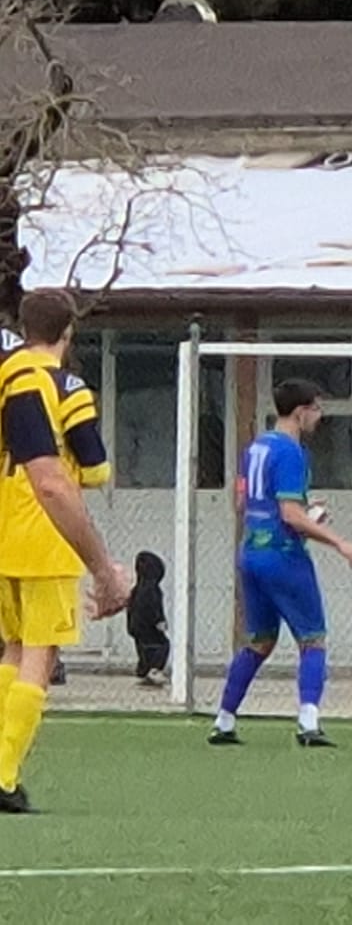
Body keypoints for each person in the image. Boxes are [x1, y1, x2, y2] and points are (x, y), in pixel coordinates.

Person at [0, 290, 131, 813]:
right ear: (69, 332)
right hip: (44, 532)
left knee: (12, 649)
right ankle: (3, 774)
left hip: (5, 523)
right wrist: (102, 567)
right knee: (41, 652)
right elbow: (93, 469)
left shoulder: (7, 374)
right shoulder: (61, 384)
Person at [210, 378, 352, 749]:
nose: (320, 417)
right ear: (300, 412)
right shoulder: (292, 452)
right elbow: (291, 515)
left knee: (260, 642)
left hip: (251, 553)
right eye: (317, 409)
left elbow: (241, 503)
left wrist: (303, 512)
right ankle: (308, 723)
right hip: (283, 555)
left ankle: (224, 720)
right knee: (313, 639)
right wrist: (339, 542)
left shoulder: (256, 447)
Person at [127, 551, 169, 687]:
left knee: (142, 649)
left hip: (137, 625)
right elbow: (155, 607)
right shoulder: (153, 590)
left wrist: (131, 624)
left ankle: (143, 671)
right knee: (162, 645)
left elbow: (131, 607)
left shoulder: (136, 589)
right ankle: (154, 669)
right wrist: (159, 620)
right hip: (150, 626)